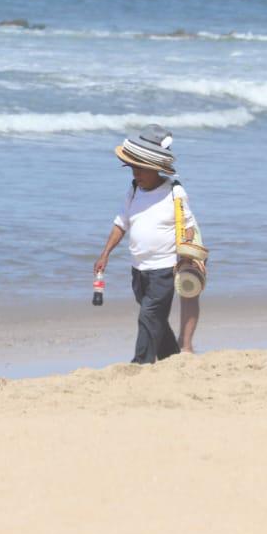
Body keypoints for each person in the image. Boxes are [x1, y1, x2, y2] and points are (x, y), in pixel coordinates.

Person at [94, 125, 200, 363]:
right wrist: (105, 254)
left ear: (156, 169)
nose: (135, 174)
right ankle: (170, 356)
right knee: (155, 316)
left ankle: (141, 361)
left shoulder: (175, 192)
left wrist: (188, 257)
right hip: (138, 269)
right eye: (133, 169)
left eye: (141, 169)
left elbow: (189, 226)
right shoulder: (133, 190)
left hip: (165, 268)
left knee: (148, 314)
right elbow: (121, 222)